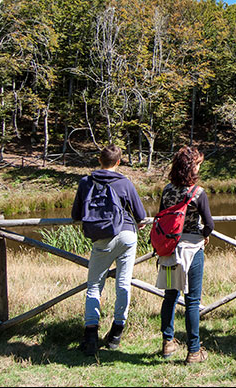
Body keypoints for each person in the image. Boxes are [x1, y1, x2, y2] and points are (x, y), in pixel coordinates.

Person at [72, 144, 147, 355]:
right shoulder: (124, 182)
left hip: (101, 239)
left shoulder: (86, 182)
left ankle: (90, 337)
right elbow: (140, 214)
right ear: (119, 162)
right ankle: (116, 334)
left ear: (99, 160)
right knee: (123, 283)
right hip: (126, 235)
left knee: (94, 286)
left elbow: (76, 214)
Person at [157, 146, 214, 364]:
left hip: (171, 250)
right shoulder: (197, 193)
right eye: (198, 163)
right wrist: (203, 235)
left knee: (170, 296)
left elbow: (162, 218)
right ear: (192, 167)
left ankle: (168, 342)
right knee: (192, 301)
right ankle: (194, 351)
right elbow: (209, 224)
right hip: (192, 250)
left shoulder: (168, 190)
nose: (200, 167)